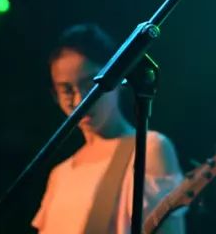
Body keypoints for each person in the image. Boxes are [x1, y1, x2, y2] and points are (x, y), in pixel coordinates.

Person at [32, 24, 185, 234]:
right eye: (66, 89)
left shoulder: (148, 147)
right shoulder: (60, 174)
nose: (79, 99)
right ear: (55, 95)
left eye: (90, 84)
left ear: (118, 79)